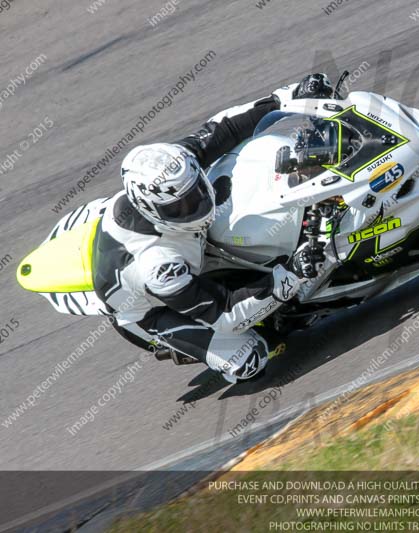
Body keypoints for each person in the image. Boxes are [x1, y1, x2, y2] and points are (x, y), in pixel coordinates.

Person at [88, 74, 333, 383]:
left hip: (188, 245)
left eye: (195, 192)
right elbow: (226, 313)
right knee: (248, 360)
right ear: (151, 210)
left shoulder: (174, 171)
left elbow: (224, 128)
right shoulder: (159, 266)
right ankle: (242, 331)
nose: (197, 204)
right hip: (150, 310)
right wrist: (291, 276)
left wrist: (288, 97)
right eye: (182, 206)